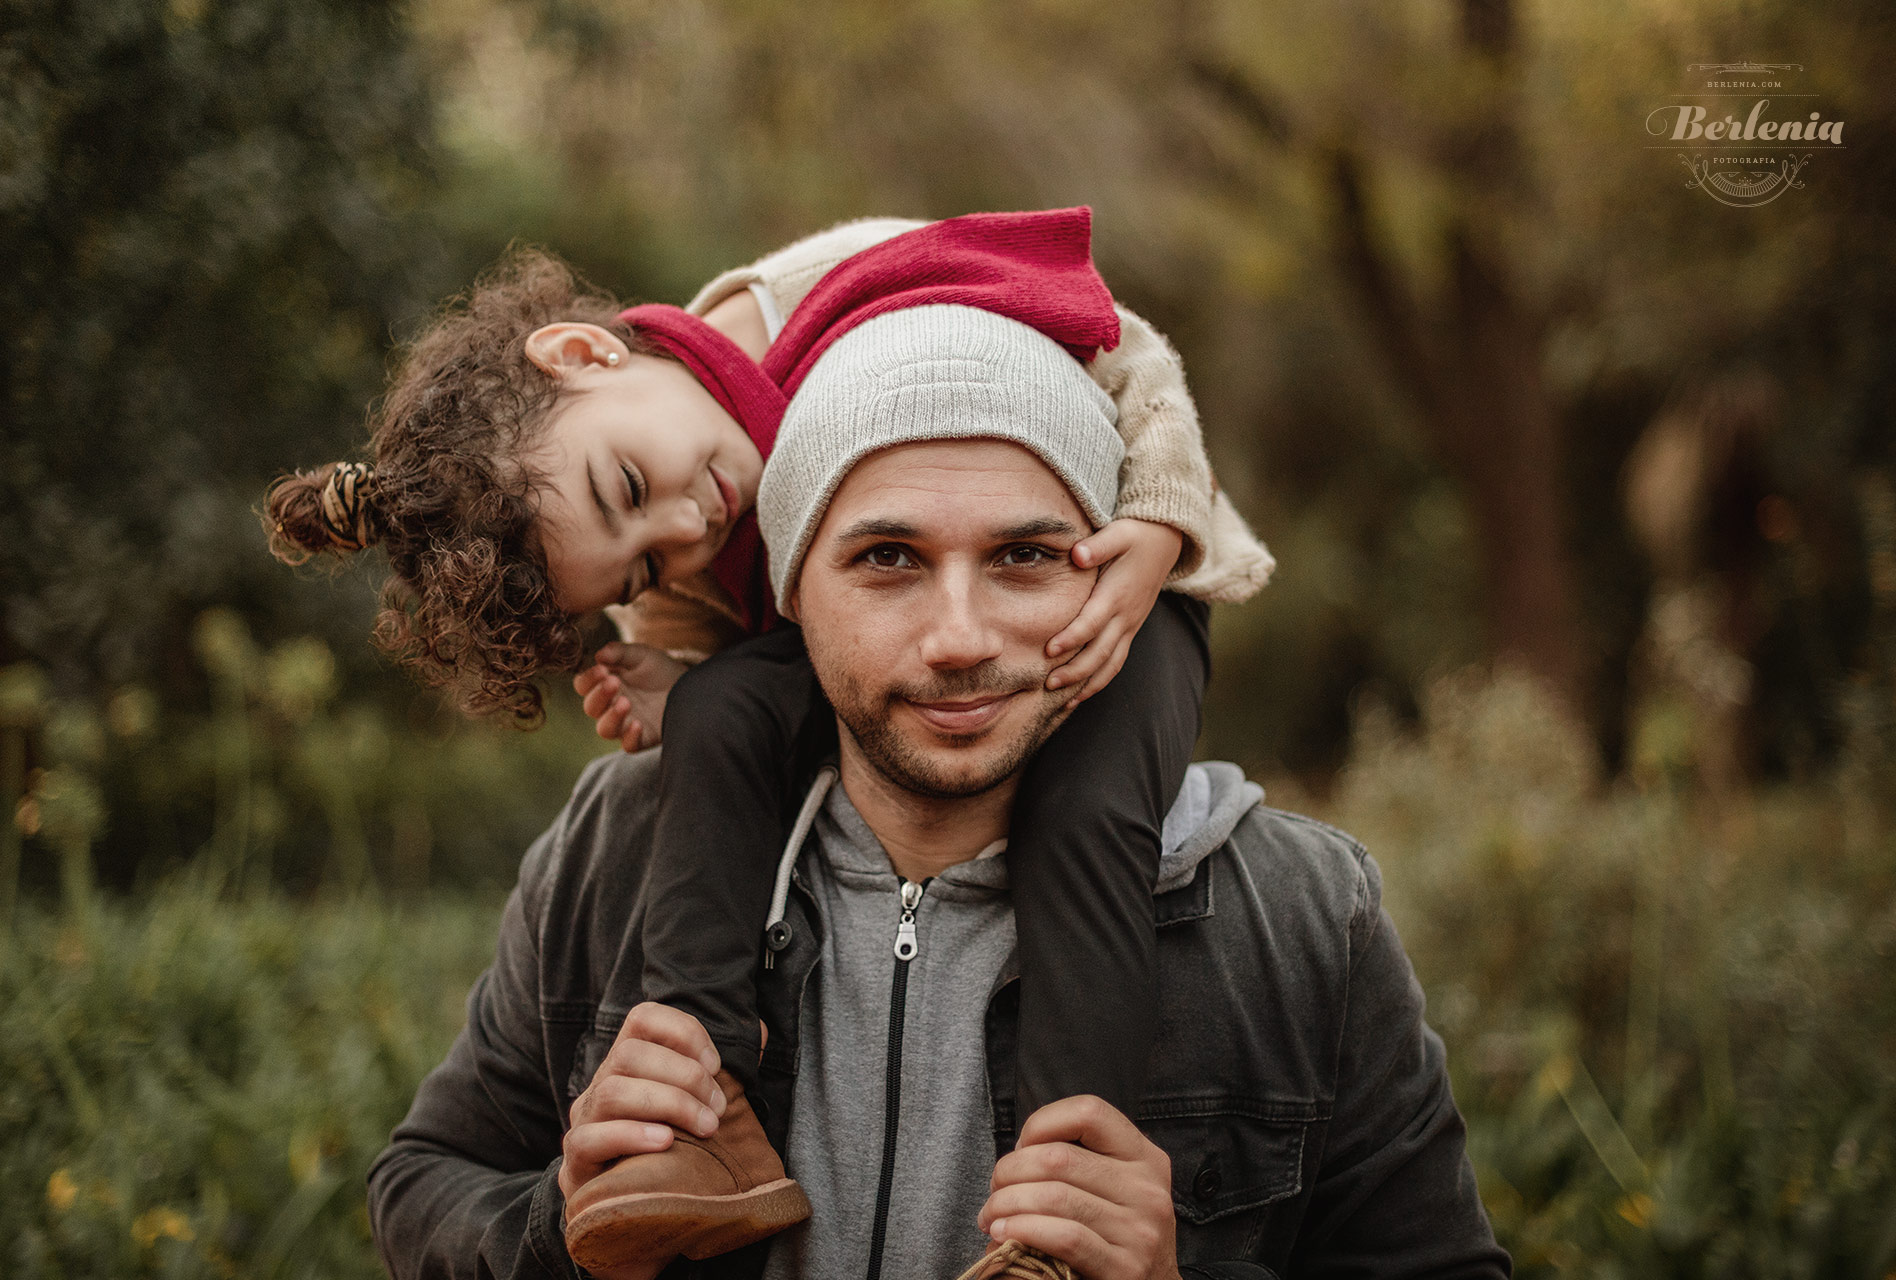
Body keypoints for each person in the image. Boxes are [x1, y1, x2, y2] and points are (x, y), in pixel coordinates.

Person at [366, 304, 1512, 1280]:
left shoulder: (1298, 914)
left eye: (1026, 556)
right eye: (888, 558)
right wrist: (563, 1232)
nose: (959, 639)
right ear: (791, 584)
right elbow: (420, 1186)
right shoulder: (618, 850)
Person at [266, 211, 1273, 1261]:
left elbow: (1126, 347)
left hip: (1123, 560)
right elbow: (742, 672)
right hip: (870, 647)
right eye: (643, 568)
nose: (684, 532)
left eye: (627, 486)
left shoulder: (812, 291)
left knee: (1090, 801)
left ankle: (1064, 1203)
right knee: (714, 713)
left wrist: (1158, 524)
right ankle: (697, 1108)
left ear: (583, 352)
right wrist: (682, 683)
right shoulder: (674, 577)